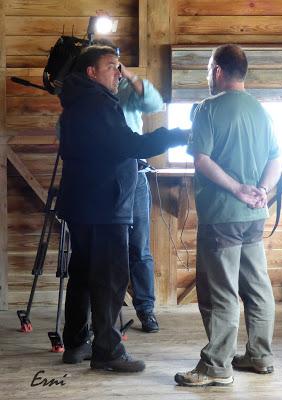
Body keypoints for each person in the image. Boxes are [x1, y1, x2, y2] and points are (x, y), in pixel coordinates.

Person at [56, 45, 189, 373]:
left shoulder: (75, 102)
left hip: (81, 201)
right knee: (111, 277)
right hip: (106, 202)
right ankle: (108, 352)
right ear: (92, 72)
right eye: (111, 67)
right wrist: (178, 135)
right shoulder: (99, 103)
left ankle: (75, 344)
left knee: (83, 273)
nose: (118, 74)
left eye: (119, 67)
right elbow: (129, 146)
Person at [175, 44, 281, 387]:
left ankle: (216, 366)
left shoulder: (207, 109)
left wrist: (236, 189)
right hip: (254, 215)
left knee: (219, 291)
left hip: (222, 216)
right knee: (257, 287)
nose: (208, 74)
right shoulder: (261, 111)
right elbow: (275, 161)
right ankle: (260, 356)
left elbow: (201, 160)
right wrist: (262, 191)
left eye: (209, 68)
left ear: (218, 70)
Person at [118, 64, 162, 333]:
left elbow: (155, 103)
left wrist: (131, 77)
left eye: (115, 65)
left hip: (135, 174)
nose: (112, 70)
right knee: (108, 247)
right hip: (104, 177)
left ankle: (146, 309)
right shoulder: (89, 96)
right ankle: (105, 310)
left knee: (140, 248)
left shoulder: (127, 89)